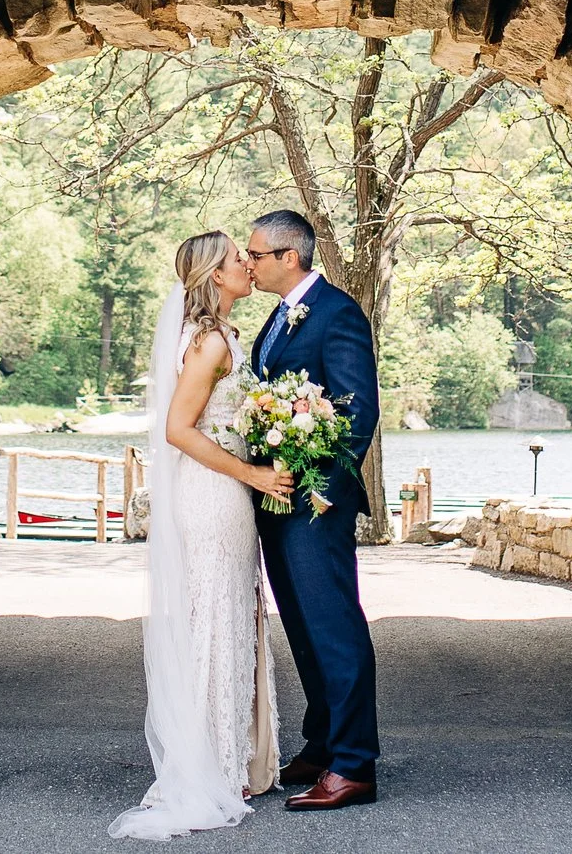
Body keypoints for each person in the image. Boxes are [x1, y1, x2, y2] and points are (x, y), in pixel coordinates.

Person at [109, 230, 292, 839]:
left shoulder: (227, 335)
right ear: (217, 276)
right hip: (213, 494)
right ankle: (208, 765)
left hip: (225, 491)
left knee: (229, 615)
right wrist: (253, 474)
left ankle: (228, 758)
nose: (249, 265)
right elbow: (179, 429)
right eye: (240, 259)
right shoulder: (211, 340)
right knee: (213, 617)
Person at [240, 207, 381, 811]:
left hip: (314, 502)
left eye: (255, 255)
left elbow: (355, 414)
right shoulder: (277, 317)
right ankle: (322, 744)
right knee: (301, 625)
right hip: (276, 498)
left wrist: (307, 476)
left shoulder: (338, 313)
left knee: (333, 625)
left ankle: (354, 765)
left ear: (288, 257)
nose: (247, 263)